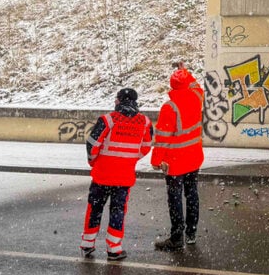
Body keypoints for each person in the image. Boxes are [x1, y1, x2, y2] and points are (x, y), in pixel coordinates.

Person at [80, 87, 153, 261]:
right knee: (118, 211)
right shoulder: (145, 122)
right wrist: (130, 159)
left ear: (119, 101)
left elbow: (92, 144)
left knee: (95, 208)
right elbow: (145, 147)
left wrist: (93, 161)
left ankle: (88, 244)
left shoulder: (107, 120)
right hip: (124, 176)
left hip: (102, 174)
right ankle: (114, 249)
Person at [152, 60, 204, 251]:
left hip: (175, 162)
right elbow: (195, 84)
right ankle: (191, 233)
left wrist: (156, 160)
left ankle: (176, 237)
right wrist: (184, 71)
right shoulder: (197, 97)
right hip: (194, 158)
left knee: (175, 198)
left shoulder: (170, 107)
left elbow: (163, 137)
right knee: (192, 195)